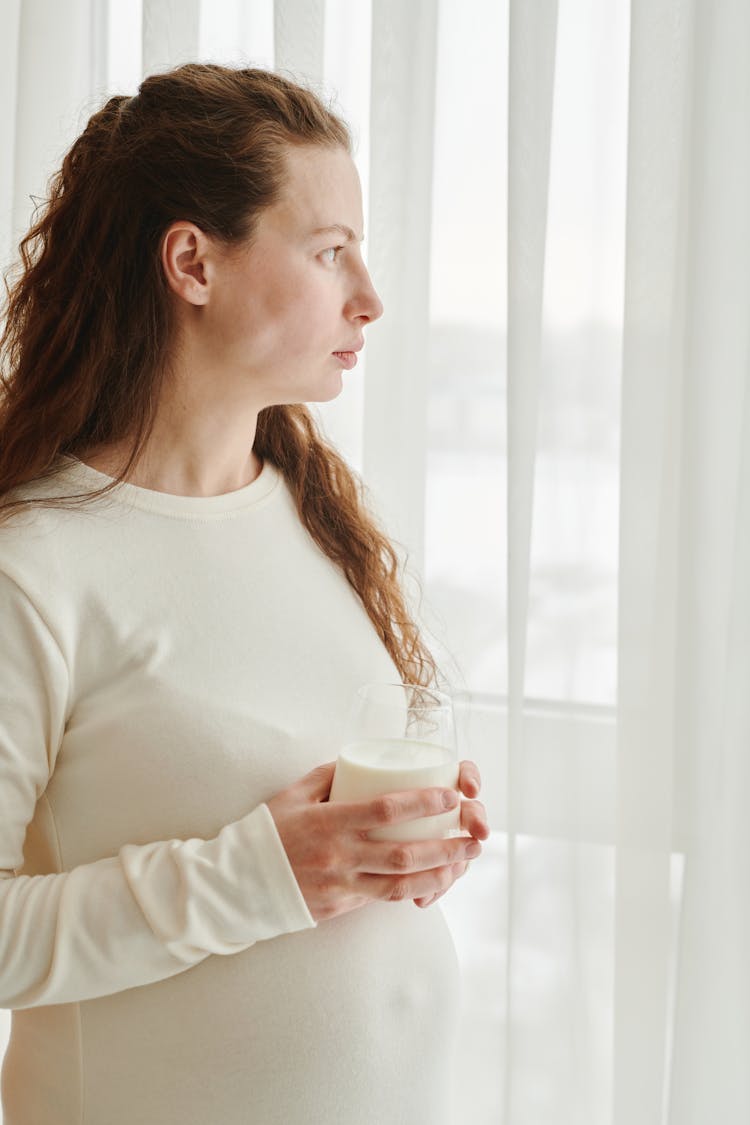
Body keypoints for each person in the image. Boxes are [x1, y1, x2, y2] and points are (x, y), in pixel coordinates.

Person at [0, 63, 489, 1125]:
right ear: (192, 262)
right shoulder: (32, 567)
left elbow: (327, 803)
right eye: (329, 252)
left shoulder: (315, 506)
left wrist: (418, 836)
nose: (371, 295)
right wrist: (256, 875)